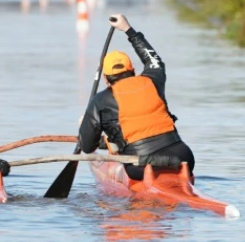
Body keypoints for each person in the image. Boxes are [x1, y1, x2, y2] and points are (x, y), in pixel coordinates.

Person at [78, 14, 195, 180]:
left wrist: (86, 129)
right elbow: (153, 59)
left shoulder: (99, 101)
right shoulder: (153, 79)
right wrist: (128, 29)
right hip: (183, 156)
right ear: (133, 71)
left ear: (105, 79)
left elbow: (88, 147)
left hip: (139, 165)